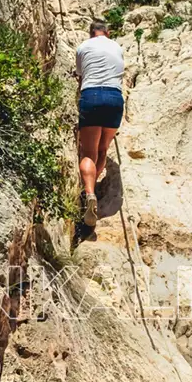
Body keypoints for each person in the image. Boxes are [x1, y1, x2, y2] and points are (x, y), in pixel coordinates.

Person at [75, 20, 125, 227]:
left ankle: (89, 193)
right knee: (103, 149)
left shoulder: (83, 47)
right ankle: (93, 184)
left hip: (92, 95)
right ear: (108, 31)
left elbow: (80, 75)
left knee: (89, 153)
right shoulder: (117, 47)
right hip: (114, 97)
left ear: (91, 33)